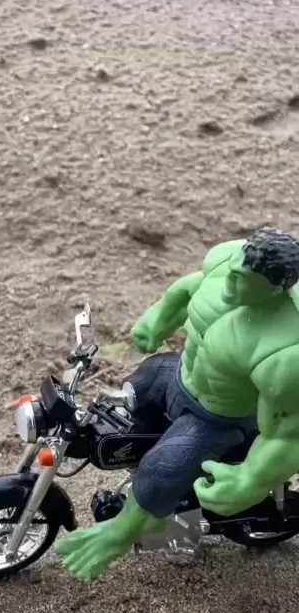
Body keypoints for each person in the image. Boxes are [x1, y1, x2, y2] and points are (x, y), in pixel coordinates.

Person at [55, 228, 299, 580]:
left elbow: (287, 433)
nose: (232, 281)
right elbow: (189, 288)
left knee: (162, 467)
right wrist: (159, 318)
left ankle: (123, 531)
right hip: (179, 374)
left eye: (247, 281)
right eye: (235, 270)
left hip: (217, 416)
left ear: (275, 289)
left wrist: (251, 480)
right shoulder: (226, 262)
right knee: (139, 382)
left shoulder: (285, 351)